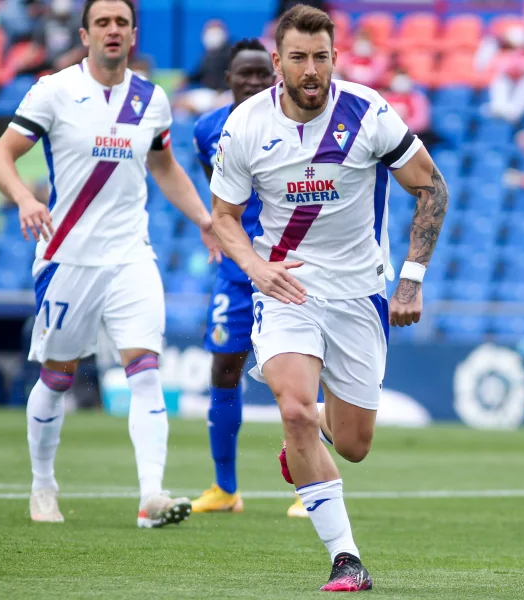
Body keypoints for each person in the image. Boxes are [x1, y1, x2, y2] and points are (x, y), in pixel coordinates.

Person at [210, 5, 448, 591]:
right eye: (299, 58)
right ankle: (347, 559)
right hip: (288, 289)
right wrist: (254, 268)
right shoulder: (245, 125)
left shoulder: (368, 114)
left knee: (353, 445)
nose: (311, 69)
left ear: (334, 58)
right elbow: (224, 217)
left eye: (321, 57)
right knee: (292, 408)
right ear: (278, 63)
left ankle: (310, 435)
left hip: (358, 294)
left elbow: (431, 186)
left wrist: (412, 277)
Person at [0, 0, 221, 527]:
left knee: (145, 370)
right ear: (86, 33)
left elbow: (165, 168)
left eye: (121, 23)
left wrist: (205, 219)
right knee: (58, 376)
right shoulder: (54, 90)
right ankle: (43, 487)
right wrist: (26, 198)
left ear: (134, 34)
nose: (113, 31)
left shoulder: (153, 99)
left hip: (131, 255)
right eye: (103, 23)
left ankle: (151, 498)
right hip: (68, 257)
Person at [190, 38, 308, 518]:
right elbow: (219, 192)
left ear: (275, 75)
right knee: (223, 367)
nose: (256, 82)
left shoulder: (295, 120)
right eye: (246, 74)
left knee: (302, 377)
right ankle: (225, 489)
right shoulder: (207, 130)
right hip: (239, 272)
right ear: (229, 79)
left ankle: (309, 485)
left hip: (287, 267)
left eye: (264, 74)